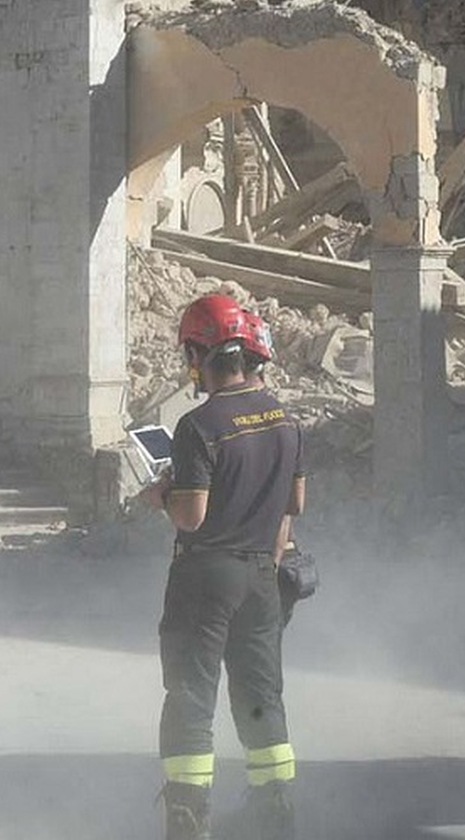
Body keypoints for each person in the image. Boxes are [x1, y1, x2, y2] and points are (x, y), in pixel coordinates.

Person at [137, 293, 305, 840]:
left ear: (201, 354)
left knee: (191, 695)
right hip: (263, 575)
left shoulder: (198, 424)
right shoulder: (285, 420)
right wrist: (272, 562)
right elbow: (293, 505)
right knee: (261, 696)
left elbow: (192, 515)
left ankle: (187, 822)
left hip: (206, 577)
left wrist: (161, 495)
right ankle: (274, 811)